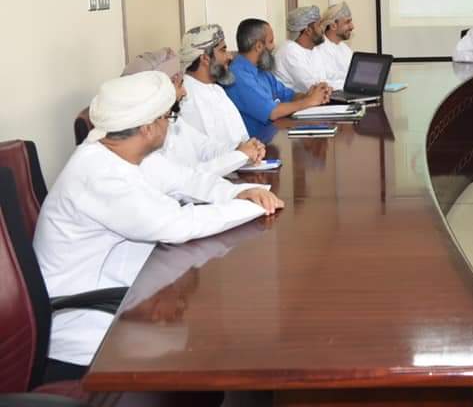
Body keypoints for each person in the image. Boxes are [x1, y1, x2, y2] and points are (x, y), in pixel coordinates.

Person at [32, 71, 284, 376]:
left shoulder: (126, 153)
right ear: (148, 127)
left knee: (203, 338)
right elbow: (178, 225)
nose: (171, 123)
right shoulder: (97, 173)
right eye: (168, 116)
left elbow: (188, 180)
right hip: (87, 323)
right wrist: (249, 207)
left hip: (130, 293)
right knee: (203, 352)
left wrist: (239, 192)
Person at [122, 48, 264, 177]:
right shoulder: (141, 137)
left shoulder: (173, 121)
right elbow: (185, 179)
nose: (184, 91)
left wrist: (241, 149)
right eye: (178, 84)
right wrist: (239, 155)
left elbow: (205, 148)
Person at [223, 18, 331, 139]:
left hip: (276, 135)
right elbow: (272, 112)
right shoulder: (238, 76)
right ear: (258, 46)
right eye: (270, 41)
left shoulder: (261, 71)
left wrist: (311, 94)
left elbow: (289, 96)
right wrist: (310, 101)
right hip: (258, 144)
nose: (274, 46)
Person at [179, 24, 250, 149]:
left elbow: (241, 139)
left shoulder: (216, 89)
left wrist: (252, 147)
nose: (230, 56)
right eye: (223, 50)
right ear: (205, 59)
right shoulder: (186, 98)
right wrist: (242, 152)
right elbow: (204, 153)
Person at [274, 5, 337, 92]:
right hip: (296, 100)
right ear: (308, 30)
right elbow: (312, 87)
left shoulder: (314, 49)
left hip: (316, 98)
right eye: (319, 25)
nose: (323, 29)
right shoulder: (289, 51)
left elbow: (326, 79)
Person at [313, 1, 355, 85]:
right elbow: (321, 83)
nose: (352, 26)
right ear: (333, 26)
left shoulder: (346, 49)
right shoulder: (318, 49)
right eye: (347, 22)